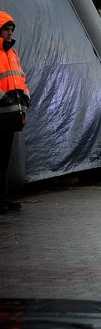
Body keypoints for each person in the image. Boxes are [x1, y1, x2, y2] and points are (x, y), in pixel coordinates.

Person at [0, 12, 30, 213]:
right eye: (6, 29)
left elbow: (20, 77)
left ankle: (2, 199)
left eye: (11, 29)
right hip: (3, 111)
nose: (10, 32)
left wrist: (25, 97)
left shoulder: (12, 53)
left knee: (4, 160)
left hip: (10, 114)